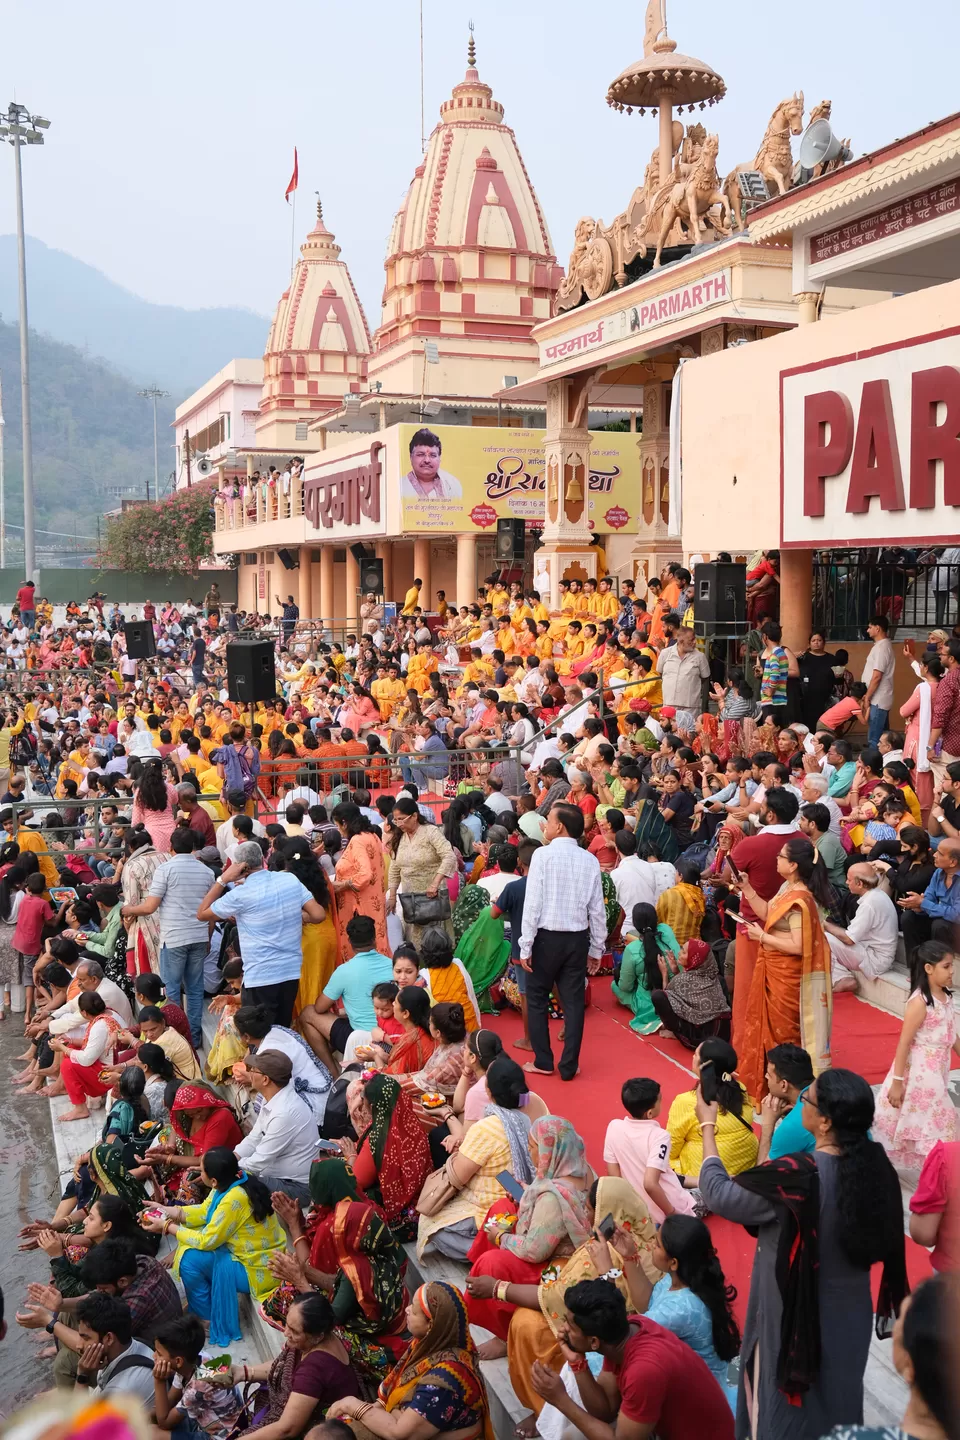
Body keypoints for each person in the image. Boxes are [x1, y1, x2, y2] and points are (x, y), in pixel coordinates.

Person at [698, 1068, 908, 1440]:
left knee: (787, 1413)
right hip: (849, 1317)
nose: (800, 1104)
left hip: (794, 1317)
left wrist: (708, 1127)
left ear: (824, 1122)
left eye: (807, 1100)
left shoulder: (799, 1177)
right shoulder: (876, 1169)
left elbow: (719, 1194)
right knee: (839, 1401)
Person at [529, 1275, 736, 1440]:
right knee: (572, 1436)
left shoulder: (643, 1370)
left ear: (594, 1342)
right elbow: (605, 1411)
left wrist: (561, 1400)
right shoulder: (623, 1332)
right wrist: (577, 1362)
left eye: (570, 1325)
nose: (564, 1329)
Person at [464, 1116, 595, 1352]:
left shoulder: (552, 1198)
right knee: (501, 1209)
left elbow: (534, 1251)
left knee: (492, 1260)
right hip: (551, 1241)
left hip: (554, 1265)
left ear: (549, 1150)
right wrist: (527, 1193)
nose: (530, 1151)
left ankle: (504, 1333)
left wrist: (500, 1238)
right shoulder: (583, 1171)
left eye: (533, 1147)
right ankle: (481, 1278)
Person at [267, 1158, 407, 1364]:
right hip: (371, 1309)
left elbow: (328, 1319)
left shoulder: (356, 1267)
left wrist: (300, 1277)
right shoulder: (365, 1217)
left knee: (289, 1296)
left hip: (374, 1343)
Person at [142, 1146, 285, 1347]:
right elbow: (205, 1211)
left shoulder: (234, 1200)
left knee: (189, 1260)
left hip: (257, 1268)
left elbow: (207, 1241)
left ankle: (207, 1318)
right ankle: (201, 1304)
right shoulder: (236, 1178)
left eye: (201, 1171)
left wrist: (167, 1226)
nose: (198, 1173)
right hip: (253, 1255)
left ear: (214, 1180)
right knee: (188, 1243)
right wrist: (168, 1211)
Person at [736, 834, 834, 1104]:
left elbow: (799, 946)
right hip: (774, 968)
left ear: (792, 865)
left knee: (785, 1034)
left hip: (787, 976)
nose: (776, 859)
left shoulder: (800, 900)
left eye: (780, 856)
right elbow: (768, 913)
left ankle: (792, 1092)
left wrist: (763, 938)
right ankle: (772, 1084)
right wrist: (747, 890)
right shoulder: (786, 888)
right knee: (770, 1030)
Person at [327, 1282, 491, 1440]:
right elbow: (392, 1396)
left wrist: (352, 1405)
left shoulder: (445, 1380)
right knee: (339, 1427)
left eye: (414, 1311)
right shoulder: (428, 1345)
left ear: (431, 1325)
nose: (407, 1309)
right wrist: (378, 1413)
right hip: (409, 1425)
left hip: (406, 1431)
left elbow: (400, 1433)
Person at [518, 801, 606, 1082]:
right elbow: (597, 910)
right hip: (576, 939)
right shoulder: (589, 860)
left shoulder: (543, 856)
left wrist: (526, 944)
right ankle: (569, 1065)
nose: (545, 825)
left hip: (546, 938)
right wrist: (596, 948)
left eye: (549, 820)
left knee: (536, 998)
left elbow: (533, 904)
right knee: (573, 1002)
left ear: (560, 826)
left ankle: (544, 1060)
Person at [199, 840, 328, 1028]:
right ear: (262, 858)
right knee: (281, 1032)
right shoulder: (289, 880)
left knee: (259, 1038)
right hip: (290, 972)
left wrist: (222, 880)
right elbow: (318, 914)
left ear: (240, 867)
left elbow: (202, 913)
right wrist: (297, 915)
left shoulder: (240, 894)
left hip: (261, 976)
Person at [418, 1054, 535, 1260]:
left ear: (488, 1092)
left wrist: (457, 1151)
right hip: (518, 1197)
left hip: (490, 1208)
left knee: (430, 1225)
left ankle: (487, 1248)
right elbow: (505, 1174)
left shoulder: (486, 1127)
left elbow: (458, 1176)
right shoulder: (525, 1120)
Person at [215, 1293, 359, 1440]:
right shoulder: (321, 1336)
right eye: (287, 1325)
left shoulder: (315, 1368)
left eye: (294, 1331)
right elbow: (285, 1368)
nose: (285, 1333)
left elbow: (287, 1428)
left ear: (318, 1336)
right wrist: (244, 1372)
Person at [121, 827, 212, 1048]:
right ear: (192, 847)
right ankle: (195, 1038)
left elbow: (150, 906)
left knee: (170, 991)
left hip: (174, 938)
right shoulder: (206, 871)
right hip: (199, 935)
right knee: (194, 988)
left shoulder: (166, 869)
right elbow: (210, 910)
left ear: (170, 846)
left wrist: (129, 911)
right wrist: (208, 937)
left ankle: (175, 1039)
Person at [873, 941, 960, 1169]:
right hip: (922, 1072)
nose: (952, 971)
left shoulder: (945, 997)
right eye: (947, 966)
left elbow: (952, 1035)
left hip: (937, 1069)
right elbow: (904, 1043)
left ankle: (934, 1167)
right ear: (929, 968)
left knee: (925, 1119)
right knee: (942, 1119)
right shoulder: (920, 1002)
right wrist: (898, 1082)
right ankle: (942, 1168)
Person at [299, 914, 394, 1076]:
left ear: (349, 942)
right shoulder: (392, 964)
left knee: (307, 1013)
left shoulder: (344, 971)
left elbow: (320, 1007)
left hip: (359, 1039)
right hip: (390, 1038)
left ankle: (333, 1072)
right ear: (374, 939)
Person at [603, 1077, 696, 1224]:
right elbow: (650, 1183)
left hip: (638, 1213)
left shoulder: (614, 1127)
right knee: (709, 1193)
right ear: (650, 1113)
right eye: (660, 1100)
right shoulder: (660, 1136)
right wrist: (671, 1213)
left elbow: (614, 1177)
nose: (662, 1102)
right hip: (669, 1208)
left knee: (684, 1178)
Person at [352, 1074, 433, 1241]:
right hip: (423, 1206)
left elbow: (358, 1181)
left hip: (399, 1221)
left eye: (363, 1098)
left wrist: (350, 1156)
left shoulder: (378, 1138)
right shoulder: (412, 1122)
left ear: (373, 1105)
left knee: (335, 1180)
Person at [236, 1050, 321, 1204]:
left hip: (297, 1187)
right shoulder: (272, 1097)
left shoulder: (285, 1112)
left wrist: (225, 1168)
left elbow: (259, 1161)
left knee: (235, 1184)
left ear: (265, 1079)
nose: (249, 1073)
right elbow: (255, 1137)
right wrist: (233, 1156)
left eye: (253, 1070)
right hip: (277, 1177)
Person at [666, 1038, 758, 1178]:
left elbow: (671, 1149)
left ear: (704, 1067)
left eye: (696, 1054)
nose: (693, 1056)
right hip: (746, 1164)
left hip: (709, 1176)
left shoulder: (687, 1102)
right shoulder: (740, 1089)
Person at [152, 1313, 245, 1440]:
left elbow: (164, 1423)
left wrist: (159, 1381)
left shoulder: (198, 1387)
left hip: (224, 1436)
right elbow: (170, 1402)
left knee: (153, 1433)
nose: (154, 1356)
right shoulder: (197, 1358)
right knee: (146, 1417)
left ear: (178, 1361)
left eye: (159, 1354)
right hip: (213, 1419)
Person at [385, 797, 458, 948]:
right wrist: (392, 896)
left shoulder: (430, 832)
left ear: (414, 816)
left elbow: (448, 855)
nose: (399, 824)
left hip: (432, 897)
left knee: (434, 936)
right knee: (414, 937)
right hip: (410, 899)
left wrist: (435, 883)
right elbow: (394, 868)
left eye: (402, 819)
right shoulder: (400, 838)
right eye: (396, 821)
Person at [823, 863, 898, 993]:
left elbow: (849, 939)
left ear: (860, 884)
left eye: (849, 879)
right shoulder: (877, 895)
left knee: (821, 937)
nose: (846, 882)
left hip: (876, 960)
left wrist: (824, 924)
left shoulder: (870, 903)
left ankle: (842, 978)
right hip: (874, 953)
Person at [611, 902, 680, 1035]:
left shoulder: (632, 949)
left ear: (636, 926)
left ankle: (653, 1016)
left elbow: (626, 987)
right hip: (675, 993)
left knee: (615, 985)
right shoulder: (665, 930)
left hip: (648, 1003)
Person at [650, 938, 732, 1050]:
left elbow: (667, 995)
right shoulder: (714, 977)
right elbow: (685, 992)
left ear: (694, 959)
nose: (679, 953)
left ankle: (674, 1032)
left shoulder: (682, 980)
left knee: (657, 996)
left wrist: (664, 974)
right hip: (722, 1036)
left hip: (701, 1041)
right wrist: (676, 972)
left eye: (683, 952)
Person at [72, 1292, 156, 1400]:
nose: (78, 1345)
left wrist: (82, 1375)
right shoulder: (133, 1345)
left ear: (109, 1338)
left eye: (86, 1338)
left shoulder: (120, 1389)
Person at [330, 802, 389, 956]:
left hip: (359, 907)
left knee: (362, 951)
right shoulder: (372, 835)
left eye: (337, 825)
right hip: (372, 903)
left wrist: (342, 885)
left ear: (344, 823)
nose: (338, 830)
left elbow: (365, 874)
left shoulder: (357, 840)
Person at [756, 1042, 816, 1163]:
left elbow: (763, 1174)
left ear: (784, 1085)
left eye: (768, 1075)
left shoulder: (793, 1124)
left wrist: (768, 1123)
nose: (766, 1078)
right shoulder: (826, 1085)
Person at [862, 614, 896, 746]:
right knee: (885, 739)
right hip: (878, 698)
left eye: (870, 627)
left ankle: (873, 766)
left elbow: (877, 676)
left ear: (878, 628)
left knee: (875, 740)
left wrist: (867, 697)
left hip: (878, 699)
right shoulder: (881, 646)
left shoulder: (882, 648)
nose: (867, 630)